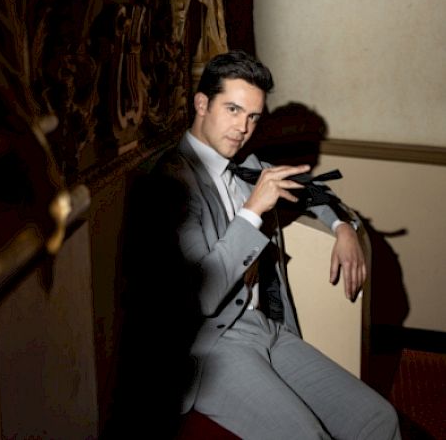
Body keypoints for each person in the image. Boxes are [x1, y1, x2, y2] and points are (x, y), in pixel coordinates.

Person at [153, 49, 401, 439]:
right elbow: (202, 295)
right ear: (201, 103)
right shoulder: (172, 182)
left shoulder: (244, 164)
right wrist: (252, 211)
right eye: (233, 110)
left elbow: (314, 190)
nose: (243, 127)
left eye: (252, 117)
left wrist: (343, 227)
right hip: (211, 348)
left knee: (378, 419)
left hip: (267, 327)